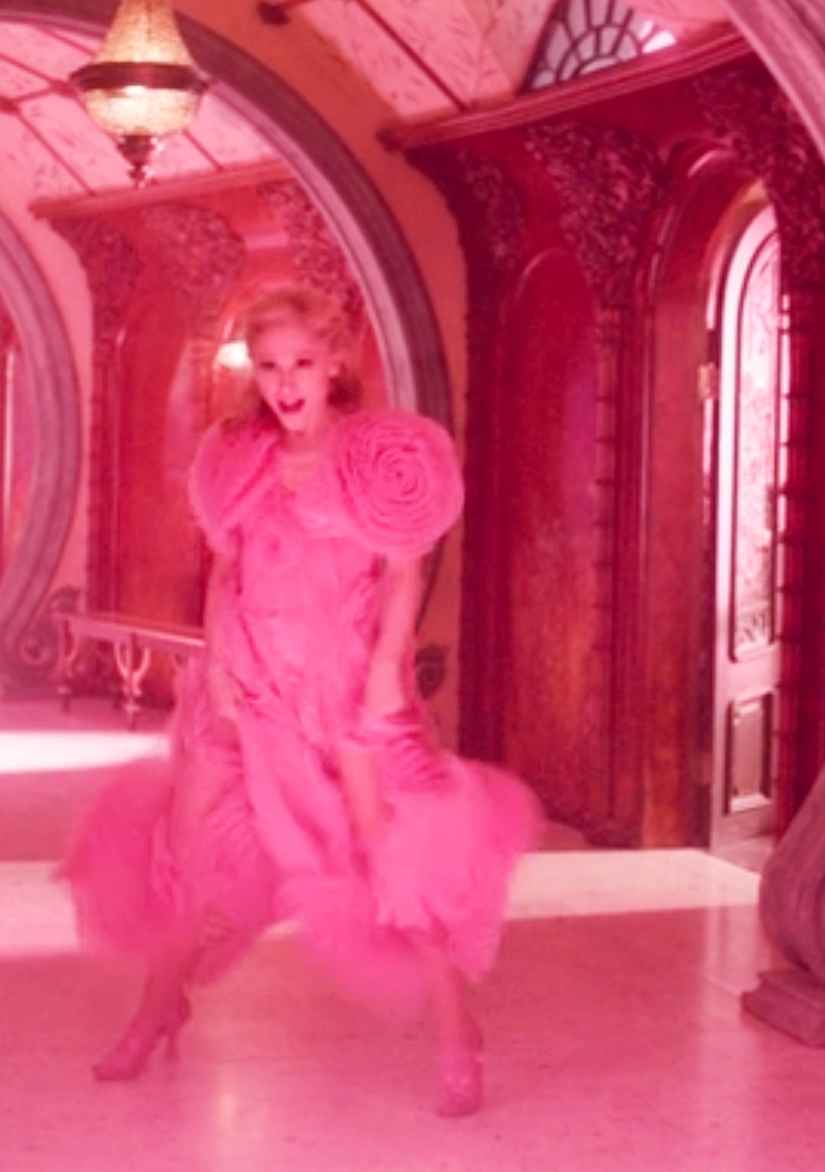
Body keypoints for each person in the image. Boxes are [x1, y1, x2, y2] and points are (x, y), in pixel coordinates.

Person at [58, 284, 539, 1118]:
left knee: (390, 856)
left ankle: (459, 1031)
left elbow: (402, 571)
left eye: (302, 365)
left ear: (334, 364)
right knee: (191, 855)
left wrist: (388, 667)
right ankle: (155, 1009)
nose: (285, 384)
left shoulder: (375, 456)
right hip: (247, 689)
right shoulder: (241, 456)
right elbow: (226, 570)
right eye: (270, 366)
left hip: (346, 695)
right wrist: (216, 672)